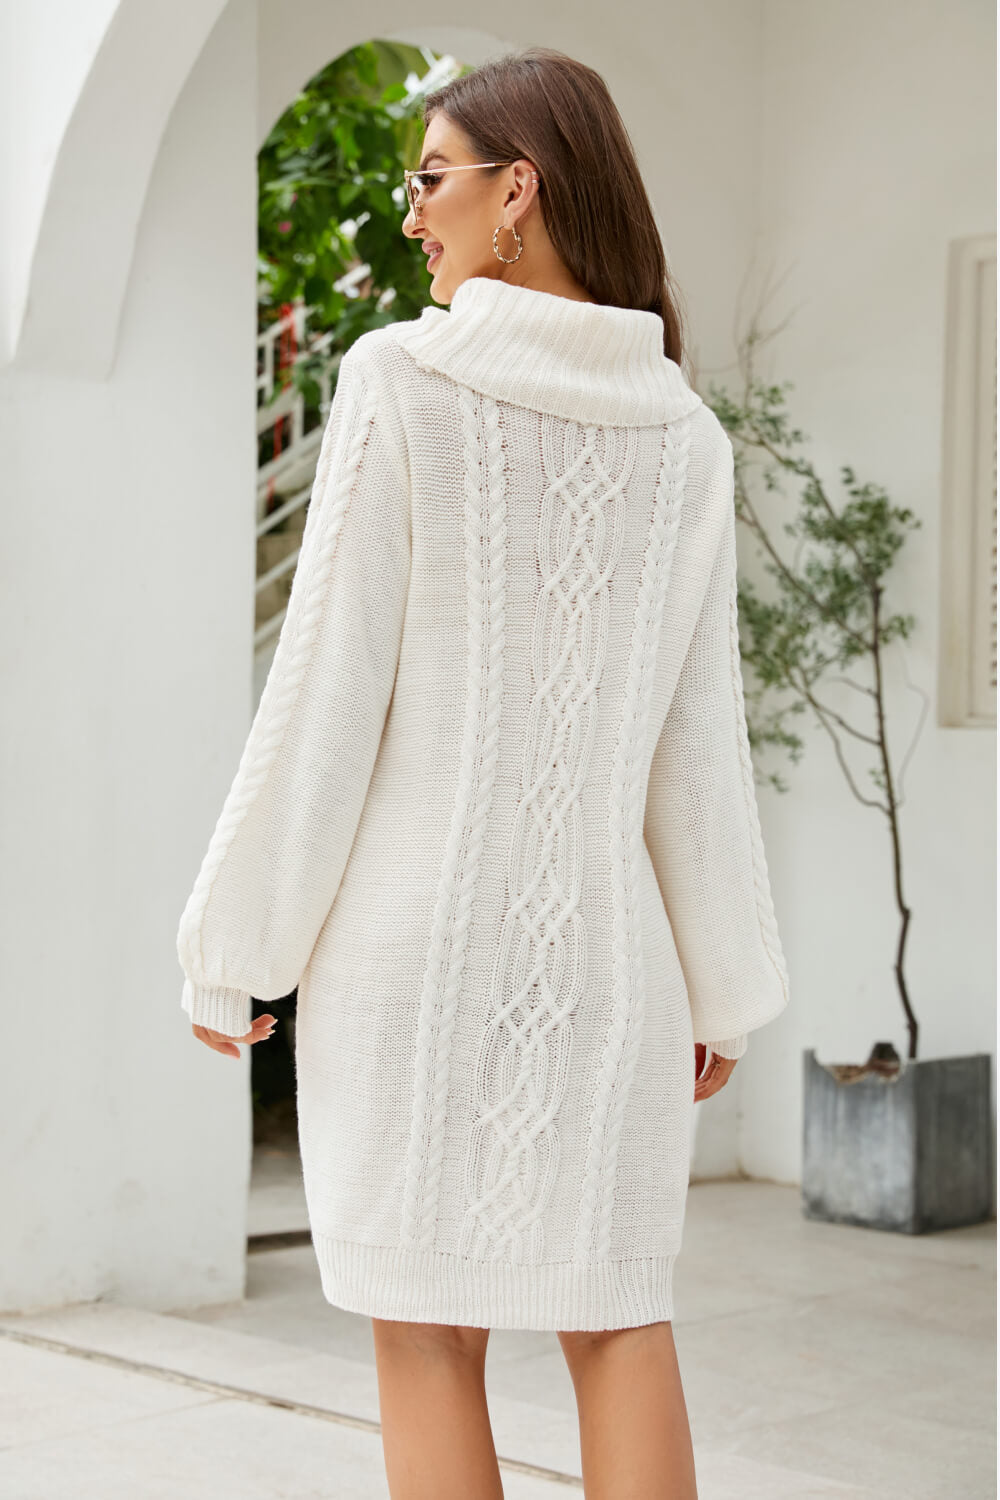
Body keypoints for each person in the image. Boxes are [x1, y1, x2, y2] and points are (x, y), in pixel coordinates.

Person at [176, 45, 790, 1500]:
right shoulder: (686, 438)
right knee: (618, 1316)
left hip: (411, 964)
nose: (411, 214)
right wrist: (725, 983)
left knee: (426, 1338)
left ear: (520, 189)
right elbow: (698, 747)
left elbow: (328, 697)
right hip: (612, 972)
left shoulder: (402, 380)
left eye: (431, 179)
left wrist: (236, 945)